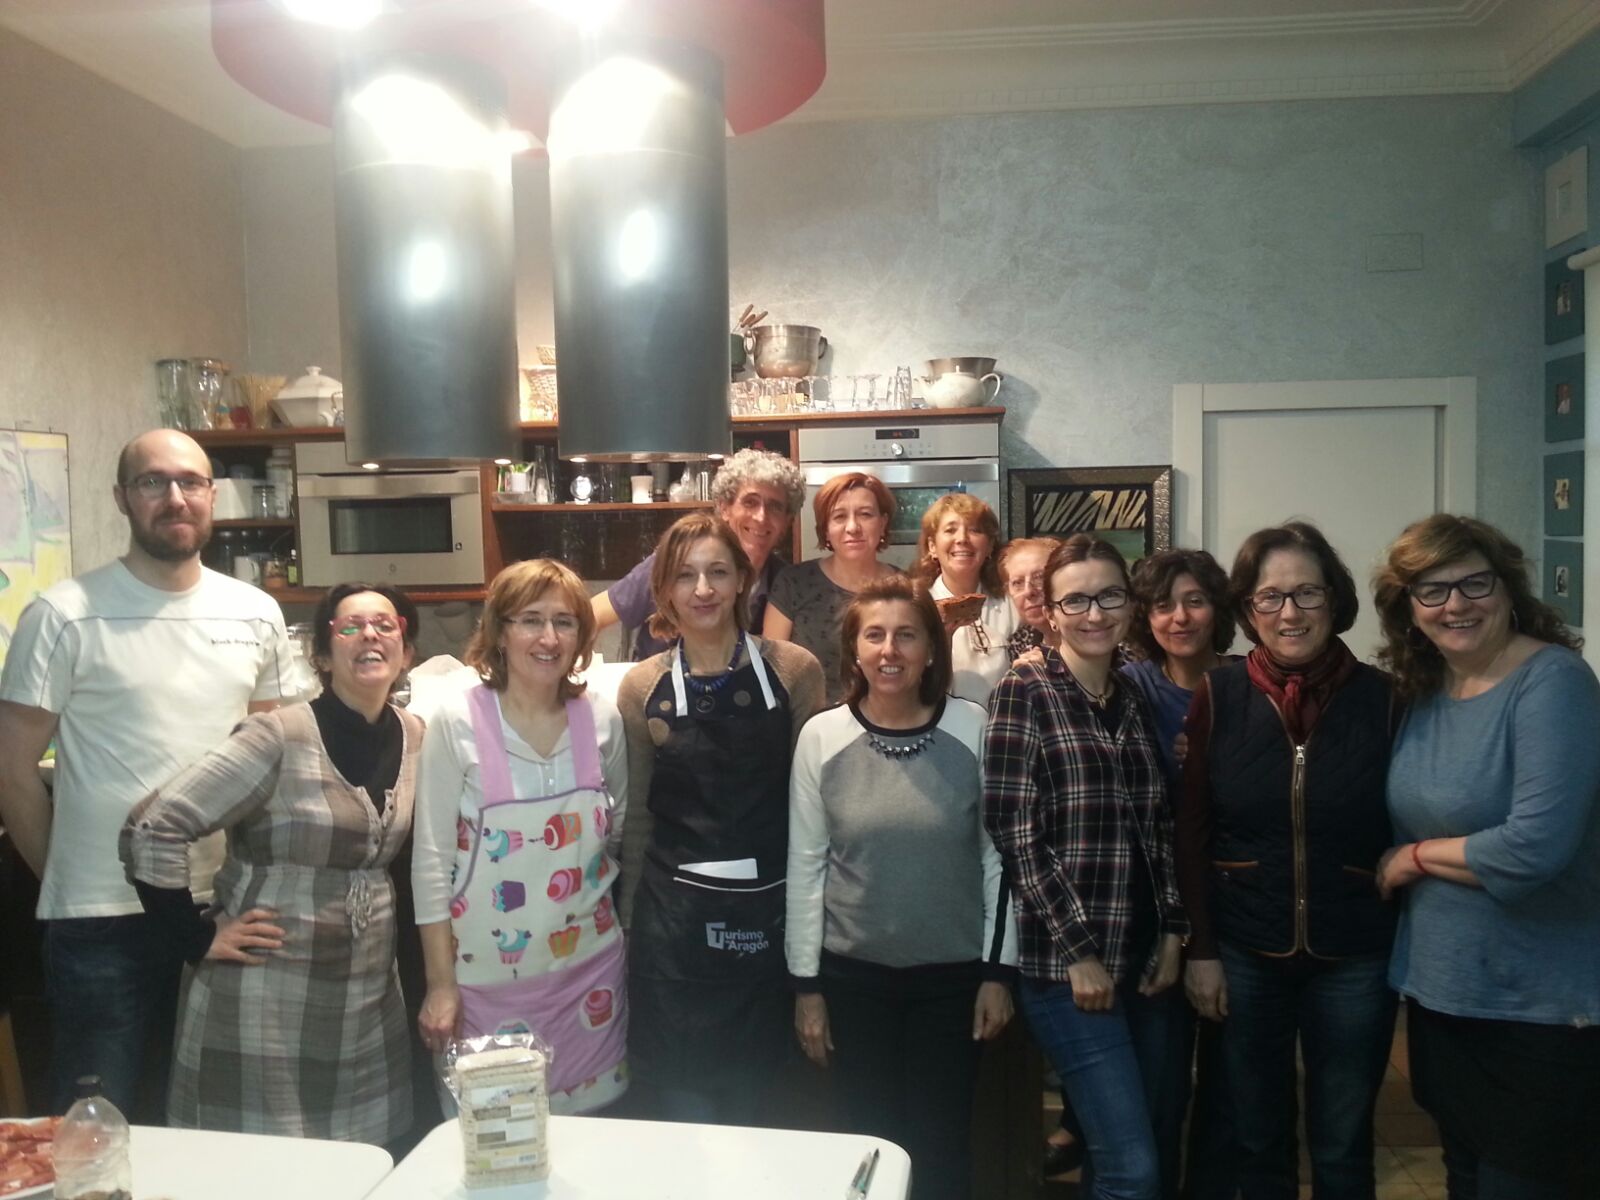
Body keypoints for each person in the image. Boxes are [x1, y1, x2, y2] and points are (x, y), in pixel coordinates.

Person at [0, 429, 293, 1118]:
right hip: (104, 922)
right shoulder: (64, 614)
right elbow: (11, 769)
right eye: (152, 482)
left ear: (211, 494)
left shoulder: (256, 612)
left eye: (190, 481)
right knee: (99, 1123)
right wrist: (68, 879)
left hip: (219, 906)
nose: (174, 497)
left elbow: (269, 756)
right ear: (122, 498)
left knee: (212, 1115)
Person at [119, 582, 422, 1144]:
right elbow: (153, 826)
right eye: (350, 626)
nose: (370, 635)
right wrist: (193, 936)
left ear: (406, 652)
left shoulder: (416, 737)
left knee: (362, 1162)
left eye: (385, 625)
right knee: (262, 1163)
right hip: (266, 993)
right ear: (323, 655)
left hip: (365, 995)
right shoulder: (278, 736)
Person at [1373, 514, 1600, 1199]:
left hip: (1540, 1007)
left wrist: (1414, 857)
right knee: (1465, 1179)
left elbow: (1535, 847)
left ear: (1507, 587)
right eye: (1432, 590)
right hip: (1444, 994)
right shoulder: (1426, 690)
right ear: (1409, 608)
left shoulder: (1553, 682)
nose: (1456, 605)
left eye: (1474, 582)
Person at [1175, 521, 1396, 1200]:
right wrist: (1201, 950)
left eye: (1307, 593)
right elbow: (1192, 832)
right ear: (1248, 609)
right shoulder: (1220, 694)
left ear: (1335, 599)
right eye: (1269, 597)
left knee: (1343, 1144)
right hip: (1246, 948)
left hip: (1355, 950)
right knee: (1256, 1139)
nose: (1289, 612)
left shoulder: (1386, 698)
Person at [787, 577, 1017, 1199]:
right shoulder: (822, 737)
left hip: (954, 984)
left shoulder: (973, 727)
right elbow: (806, 867)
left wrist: (999, 973)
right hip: (852, 982)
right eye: (875, 635)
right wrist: (807, 988)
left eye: (907, 635)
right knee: (867, 1151)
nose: (890, 650)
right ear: (854, 650)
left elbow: (997, 860)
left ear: (931, 649)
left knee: (941, 1151)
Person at [984, 534, 1188, 1200]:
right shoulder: (1025, 689)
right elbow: (1016, 832)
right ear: (1049, 609)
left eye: (1109, 596)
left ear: (1130, 603)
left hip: (1145, 957)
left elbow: (1159, 826)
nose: (1094, 613)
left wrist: (1173, 932)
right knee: (1132, 1167)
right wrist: (1079, 953)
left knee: (1133, 1148)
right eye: (1075, 600)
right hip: (1068, 969)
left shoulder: (1134, 691)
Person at [618, 512, 824, 1123]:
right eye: (685, 576)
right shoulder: (641, 686)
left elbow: (812, 813)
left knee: (759, 1111)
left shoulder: (794, 670)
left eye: (717, 572)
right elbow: (637, 820)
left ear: (742, 581)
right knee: (685, 1117)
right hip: (672, 932)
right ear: (664, 590)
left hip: (767, 921)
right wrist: (629, 929)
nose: (703, 589)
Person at [413, 559, 629, 1114]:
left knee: (596, 1140)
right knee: (496, 1138)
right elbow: (431, 863)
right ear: (500, 631)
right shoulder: (457, 721)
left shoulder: (602, 719)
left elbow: (615, 833)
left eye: (565, 622)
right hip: (482, 987)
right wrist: (440, 985)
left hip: (590, 977)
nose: (548, 638)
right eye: (530, 620)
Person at [1123, 549, 1238, 1200]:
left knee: (1230, 1094)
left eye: (1195, 601)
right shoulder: (1132, 687)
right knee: (1159, 1091)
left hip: (1235, 907)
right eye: (1164, 605)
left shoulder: (1248, 683)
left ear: (1218, 609)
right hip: (1156, 913)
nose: (1180, 617)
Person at [592, 448, 805, 659]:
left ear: (787, 520)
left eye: (775, 507)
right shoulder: (674, 562)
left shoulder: (789, 585)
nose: (761, 517)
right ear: (724, 508)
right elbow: (592, 615)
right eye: (750, 502)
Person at [764, 472, 898, 704]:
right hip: (810, 720)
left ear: (883, 523)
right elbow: (771, 670)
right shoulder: (794, 583)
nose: (853, 527)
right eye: (839, 516)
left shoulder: (904, 589)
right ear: (825, 528)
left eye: (865, 514)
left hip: (889, 719)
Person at [913, 493, 1016, 706]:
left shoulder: (1012, 604)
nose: (962, 539)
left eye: (975, 530)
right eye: (950, 530)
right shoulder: (916, 607)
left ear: (989, 546)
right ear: (932, 546)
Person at [999, 537, 1060, 663]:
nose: (1028, 591)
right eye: (1017, 583)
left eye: (1039, 577)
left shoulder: (1093, 633)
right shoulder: (1018, 645)